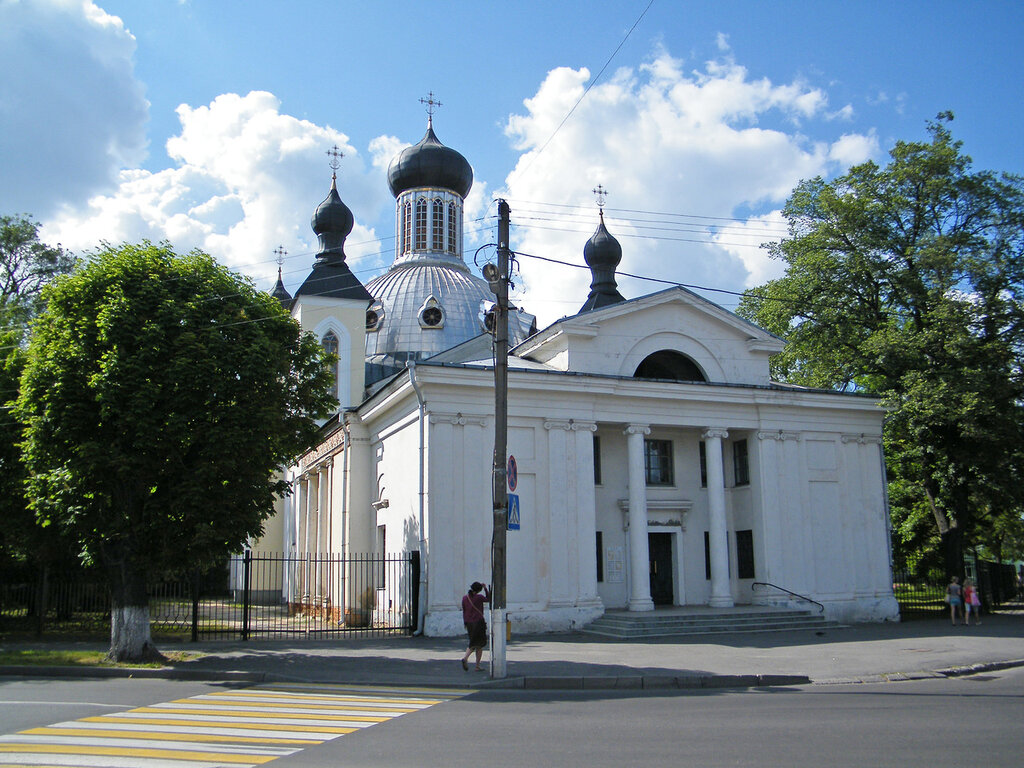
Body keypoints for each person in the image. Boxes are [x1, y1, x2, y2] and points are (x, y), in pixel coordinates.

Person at [460, 581, 491, 671]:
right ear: (479, 590)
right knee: (478, 644)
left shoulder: (465, 598)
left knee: (474, 642)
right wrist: (486, 589)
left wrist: (465, 622)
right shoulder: (479, 597)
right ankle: (466, 658)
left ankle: (477, 665)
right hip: (478, 623)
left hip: (469, 623)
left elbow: (464, 611)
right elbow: (488, 599)